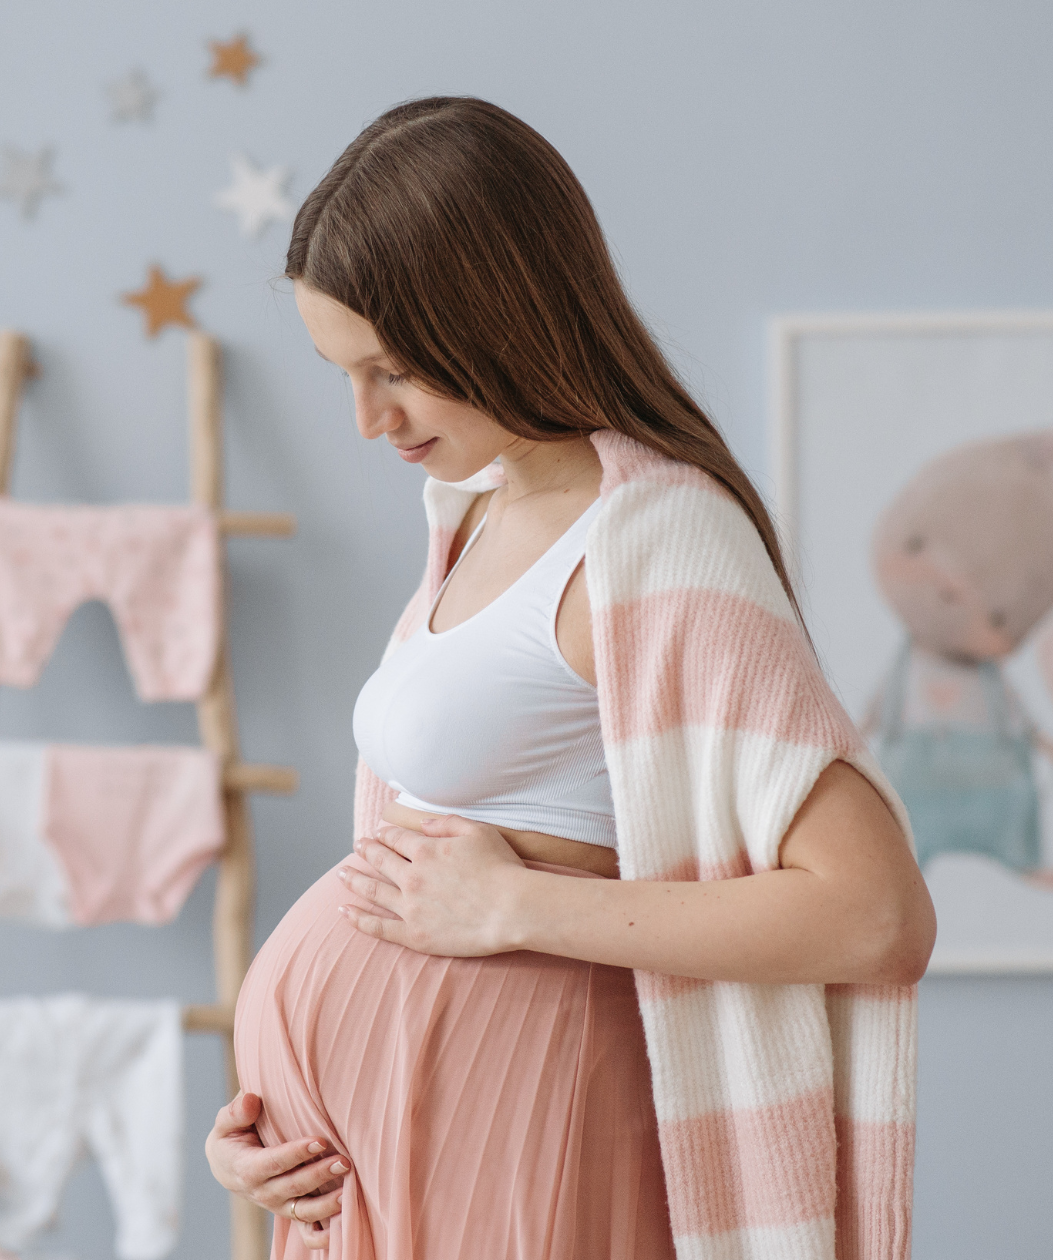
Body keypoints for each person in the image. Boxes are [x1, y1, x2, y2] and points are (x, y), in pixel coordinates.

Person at [204, 97, 936, 1260]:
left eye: (392, 370)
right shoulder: (476, 513)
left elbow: (875, 914)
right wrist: (273, 1122)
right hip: (384, 1169)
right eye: (340, 372)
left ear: (495, 317)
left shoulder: (655, 539)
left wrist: (520, 908)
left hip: (525, 1137)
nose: (364, 419)